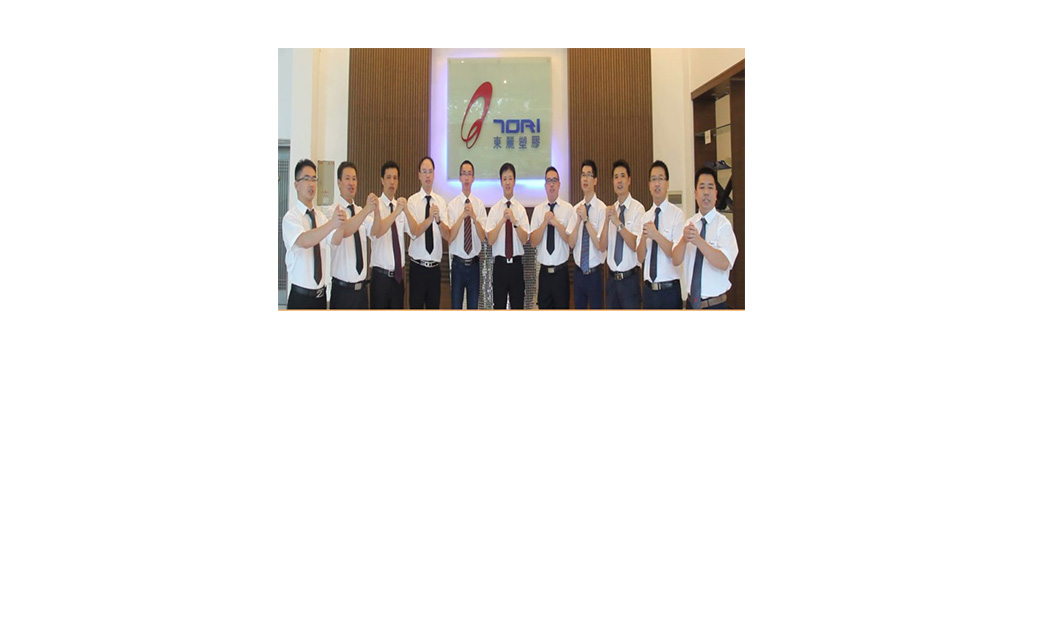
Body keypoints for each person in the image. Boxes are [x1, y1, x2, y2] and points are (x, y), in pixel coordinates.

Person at [282, 158, 346, 309]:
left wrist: (341, 224)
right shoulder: (291, 217)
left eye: (314, 179)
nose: (311, 184)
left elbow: (335, 240)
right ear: (296, 185)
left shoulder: (321, 217)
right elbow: (304, 240)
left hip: (321, 297)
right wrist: (332, 224)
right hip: (300, 298)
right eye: (306, 179)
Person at [673, 166, 739, 309]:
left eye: (710, 187)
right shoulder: (689, 223)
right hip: (691, 303)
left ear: (716, 194)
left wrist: (699, 241)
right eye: (702, 187)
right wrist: (684, 241)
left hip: (715, 304)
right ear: (695, 193)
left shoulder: (723, 225)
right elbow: (676, 260)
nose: (706, 192)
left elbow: (724, 262)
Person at [637, 160, 684, 309]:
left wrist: (656, 235)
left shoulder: (677, 215)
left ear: (667, 183)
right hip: (649, 291)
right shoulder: (645, 217)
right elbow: (640, 257)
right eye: (653, 179)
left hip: (669, 291)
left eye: (661, 179)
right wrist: (644, 237)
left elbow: (676, 254)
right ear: (649, 185)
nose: (657, 184)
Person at [329, 161, 375, 309]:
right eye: (347, 178)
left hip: (361, 291)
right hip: (342, 291)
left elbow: (376, 231)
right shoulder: (332, 212)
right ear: (339, 183)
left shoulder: (360, 211)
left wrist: (376, 209)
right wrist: (367, 210)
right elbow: (345, 231)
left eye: (354, 179)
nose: (351, 183)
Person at [600, 159, 645, 309]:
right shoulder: (611, 210)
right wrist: (607, 222)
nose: (619, 181)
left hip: (629, 281)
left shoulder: (638, 209)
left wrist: (618, 223)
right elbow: (602, 246)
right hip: (612, 280)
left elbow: (635, 245)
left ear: (629, 180)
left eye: (622, 176)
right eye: (616, 177)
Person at [442, 160, 486, 309]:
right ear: (460, 177)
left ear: (473, 178)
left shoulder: (479, 205)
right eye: (464, 174)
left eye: (469, 174)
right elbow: (450, 236)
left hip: (474, 265)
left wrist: (473, 216)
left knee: (473, 307)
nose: (466, 177)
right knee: (456, 306)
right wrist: (462, 216)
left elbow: (482, 237)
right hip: (458, 265)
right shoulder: (452, 205)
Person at [486, 162, 530, 309]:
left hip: (516, 266)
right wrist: (502, 220)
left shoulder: (521, 210)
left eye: (510, 178)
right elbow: (490, 240)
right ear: (501, 182)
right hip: (500, 266)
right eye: (504, 179)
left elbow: (524, 239)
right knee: (499, 307)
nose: (507, 182)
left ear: (514, 181)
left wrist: (514, 221)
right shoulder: (495, 210)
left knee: (518, 307)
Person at [405, 156, 446, 309]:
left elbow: (447, 235)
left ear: (434, 174)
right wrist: (429, 219)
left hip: (435, 269)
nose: (428, 175)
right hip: (417, 268)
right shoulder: (412, 201)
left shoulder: (441, 202)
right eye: (424, 171)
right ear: (419, 175)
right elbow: (414, 231)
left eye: (430, 171)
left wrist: (438, 221)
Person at [528, 166, 573, 309]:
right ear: (545, 185)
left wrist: (556, 223)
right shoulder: (538, 210)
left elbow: (570, 240)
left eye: (554, 181)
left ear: (559, 184)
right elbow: (533, 242)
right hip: (544, 274)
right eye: (549, 181)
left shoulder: (568, 209)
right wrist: (544, 223)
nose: (551, 184)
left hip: (561, 273)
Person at [566, 159, 607, 309]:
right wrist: (578, 221)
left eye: (589, 175)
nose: (585, 178)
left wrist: (586, 219)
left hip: (595, 274)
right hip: (578, 274)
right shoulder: (576, 208)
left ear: (595, 180)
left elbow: (600, 245)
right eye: (583, 175)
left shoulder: (602, 209)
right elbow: (571, 243)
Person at [369, 160, 409, 309]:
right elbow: (377, 232)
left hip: (398, 278)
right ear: (382, 180)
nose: (392, 182)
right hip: (380, 278)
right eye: (388, 177)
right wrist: (396, 212)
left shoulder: (401, 207)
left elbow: (415, 232)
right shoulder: (375, 206)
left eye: (395, 178)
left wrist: (404, 210)